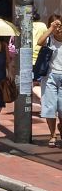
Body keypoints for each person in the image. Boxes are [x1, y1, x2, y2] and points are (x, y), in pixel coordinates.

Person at [35, 14, 62, 147]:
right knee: (50, 107)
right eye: (56, 26)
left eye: (60, 25)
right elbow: (39, 42)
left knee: (61, 107)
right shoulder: (49, 39)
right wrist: (51, 29)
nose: (58, 28)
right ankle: (53, 135)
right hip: (50, 76)